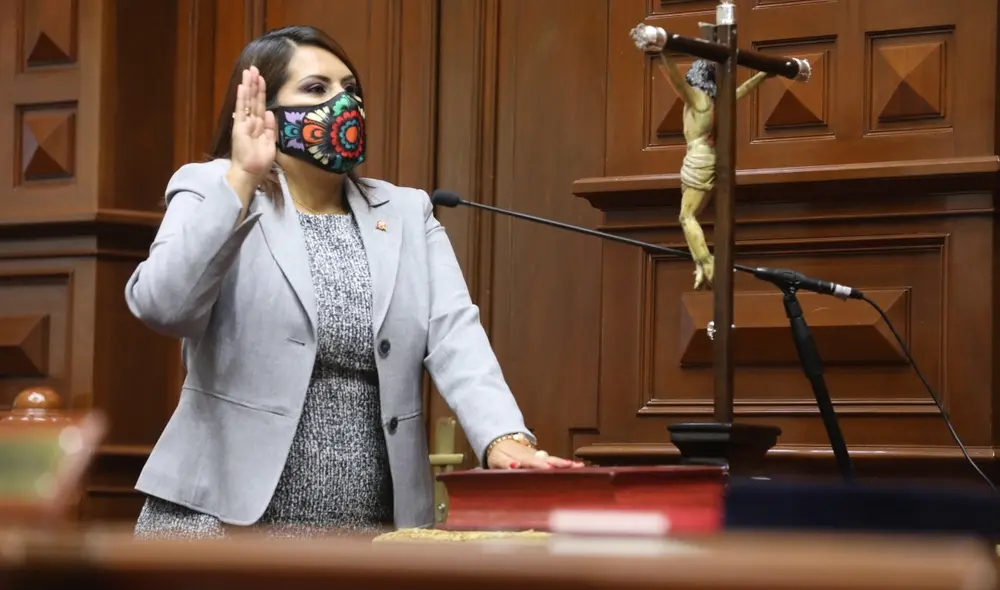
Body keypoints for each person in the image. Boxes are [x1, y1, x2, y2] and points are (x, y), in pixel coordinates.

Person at [126, 25, 582, 540]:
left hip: (367, 532)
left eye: (351, 91)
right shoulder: (214, 187)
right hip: (219, 522)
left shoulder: (408, 212)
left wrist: (502, 437)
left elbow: (457, 334)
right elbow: (162, 306)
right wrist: (242, 178)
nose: (343, 104)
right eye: (317, 90)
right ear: (266, 113)